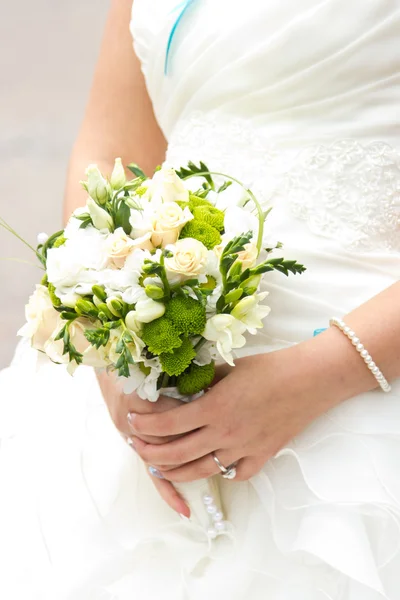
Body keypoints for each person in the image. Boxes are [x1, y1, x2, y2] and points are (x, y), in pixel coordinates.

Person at [0, 0, 399, 598]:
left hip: (358, 405)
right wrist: (115, 354)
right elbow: (112, 151)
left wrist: (317, 376)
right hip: (145, 407)